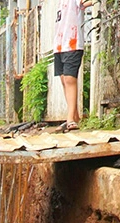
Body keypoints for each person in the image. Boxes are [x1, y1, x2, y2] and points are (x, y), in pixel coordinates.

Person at [53, 0, 87, 131]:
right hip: (59, 45)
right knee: (63, 79)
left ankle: (70, 119)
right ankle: (75, 116)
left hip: (73, 42)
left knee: (69, 79)